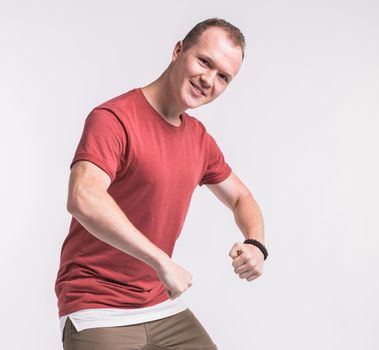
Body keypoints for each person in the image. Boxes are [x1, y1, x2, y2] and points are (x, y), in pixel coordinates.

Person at [55, 17, 267, 350]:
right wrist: (161, 262)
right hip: (97, 307)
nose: (208, 80)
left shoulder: (199, 140)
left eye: (222, 76)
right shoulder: (114, 119)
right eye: (204, 61)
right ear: (178, 50)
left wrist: (256, 243)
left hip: (160, 305)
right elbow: (83, 196)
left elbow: (241, 197)